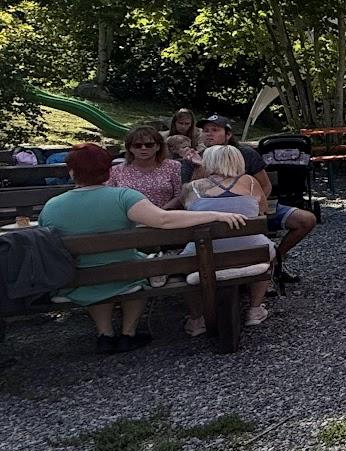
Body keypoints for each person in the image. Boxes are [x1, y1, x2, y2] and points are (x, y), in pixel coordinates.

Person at [38, 143, 248, 352]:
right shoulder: (124, 197)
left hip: (79, 278)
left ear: (72, 172)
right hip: (127, 275)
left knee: (101, 271)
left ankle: (105, 334)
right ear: (109, 170)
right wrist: (216, 215)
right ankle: (128, 333)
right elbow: (164, 220)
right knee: (142, 270)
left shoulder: (52, 205)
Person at [199, 115, 315, 285]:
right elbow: (191, 193)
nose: (209, 134)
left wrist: (258, 207)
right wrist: (197, 166)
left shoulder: (246, 154)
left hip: (251, 209)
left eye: (215, 130)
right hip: (214, 214)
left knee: (306, 220)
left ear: (228, 135)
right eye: (205, 131)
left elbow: (265, 186)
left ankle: (275, 263)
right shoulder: (197, 158)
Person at [179, 145, 274, 334]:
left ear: (209, 162)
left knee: (183, 263)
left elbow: (186, 209)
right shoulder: (250, 182)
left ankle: (197, 319)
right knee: (265, 250)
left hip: (204, 254)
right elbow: (263, 210)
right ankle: (255, 309)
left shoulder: (192, 187)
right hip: (250, 252)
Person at [107, 126, 182, 209]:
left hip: (164, 216)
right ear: (130, 148)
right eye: (137, 145)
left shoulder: (173, 167)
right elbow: (110, 198)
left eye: (149, 145)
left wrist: (160, 213)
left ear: (158, 146)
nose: (143, 148)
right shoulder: (116, 170)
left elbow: (180, 196)